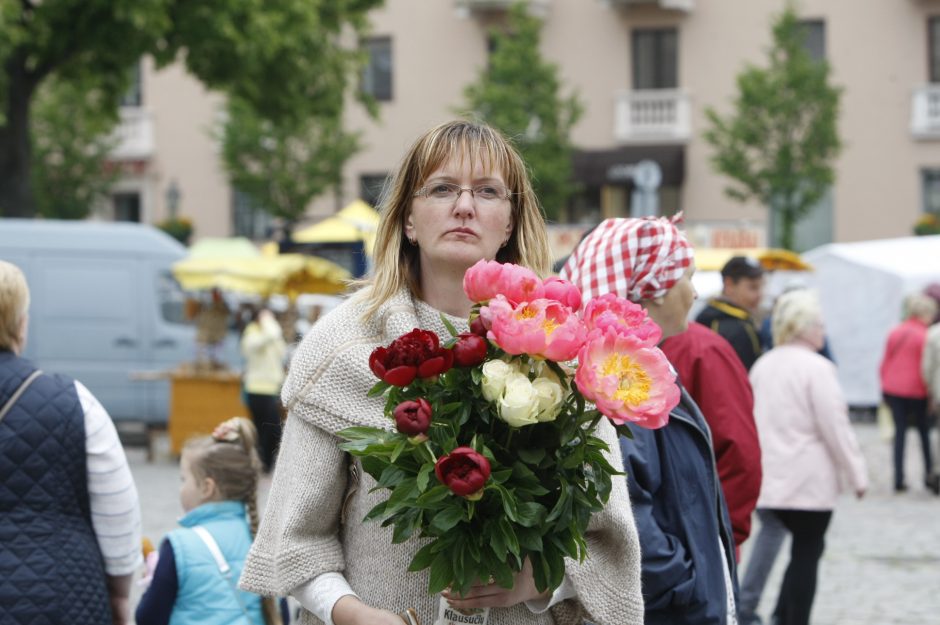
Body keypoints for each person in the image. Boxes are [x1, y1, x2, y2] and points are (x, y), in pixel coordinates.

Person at [239, 120, 644, 625]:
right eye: (442, 188)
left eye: (488, 191)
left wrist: (541, 579)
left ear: (511, 221)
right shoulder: (342, 346)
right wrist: (352, 614)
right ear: (408, 219)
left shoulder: (562, 352)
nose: (465, 205)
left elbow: (609, 541)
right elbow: (296, 537)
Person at [561, 216, 738, 625]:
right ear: (649, 289)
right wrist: (685, 589)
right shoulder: (616, 387)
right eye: (686, 278)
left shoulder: (639, 371)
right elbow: (625, 510)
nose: (694, 293)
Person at [0, 260, 142, 625]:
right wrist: (119, 594)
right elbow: (117, 511)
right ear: (21, 323)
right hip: (61, 596)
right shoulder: (72, 401)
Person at [749, 290, 867, 625]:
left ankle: (771, 611)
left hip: (770, 476)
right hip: (809, 480)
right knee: (807, 551)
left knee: (778, 542)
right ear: (802, 326)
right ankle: (794, 618)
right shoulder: (818, 368)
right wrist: (857, 473)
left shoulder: (763, 364)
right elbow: (835, 427)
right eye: (819, 324)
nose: (823, 332)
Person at [136, 417, 282, 625]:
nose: (181, 488)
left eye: (184, 480)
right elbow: (278, 615)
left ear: (207, 488)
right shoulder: (264, 545)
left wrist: (153, 582)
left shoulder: (179, 546)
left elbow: (148, 618)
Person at [660, 321, 762, 556]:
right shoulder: (698, 346)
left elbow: (738, 451)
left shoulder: (703, 348)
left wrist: (720, 536)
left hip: (694, 542)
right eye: (687, 282)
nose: (694, 293)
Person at [879, 292, 938, 493]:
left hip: (894, 388)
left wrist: (884, 386)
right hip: (918, 390)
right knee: (924, 433)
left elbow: (885, 361)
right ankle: (929, 474)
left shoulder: (895, 331)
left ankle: (898, 478)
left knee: (900, 433)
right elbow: (928, 367)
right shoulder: (926, 335)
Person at [696, 256, 765, 371]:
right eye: (753, 287)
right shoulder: (734, 326)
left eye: (761, 287)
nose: (760, 295)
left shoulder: (709, 316)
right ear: (729, 284)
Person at [240, 306, 288, 472]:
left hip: (272, 388)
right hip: (257, 389)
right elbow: (271, 334)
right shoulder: (252, 334)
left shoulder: (270, 336)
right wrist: (267, 320)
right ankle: (262, 464)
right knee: (265, 428)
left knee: (271, 429)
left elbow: (281, 352)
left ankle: (264, 464)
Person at [195, 288, 231, 368]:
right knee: (203, 362)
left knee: (217, 362)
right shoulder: (204, 304)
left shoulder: (222, 307)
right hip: (205, 338)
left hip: (217, 339)